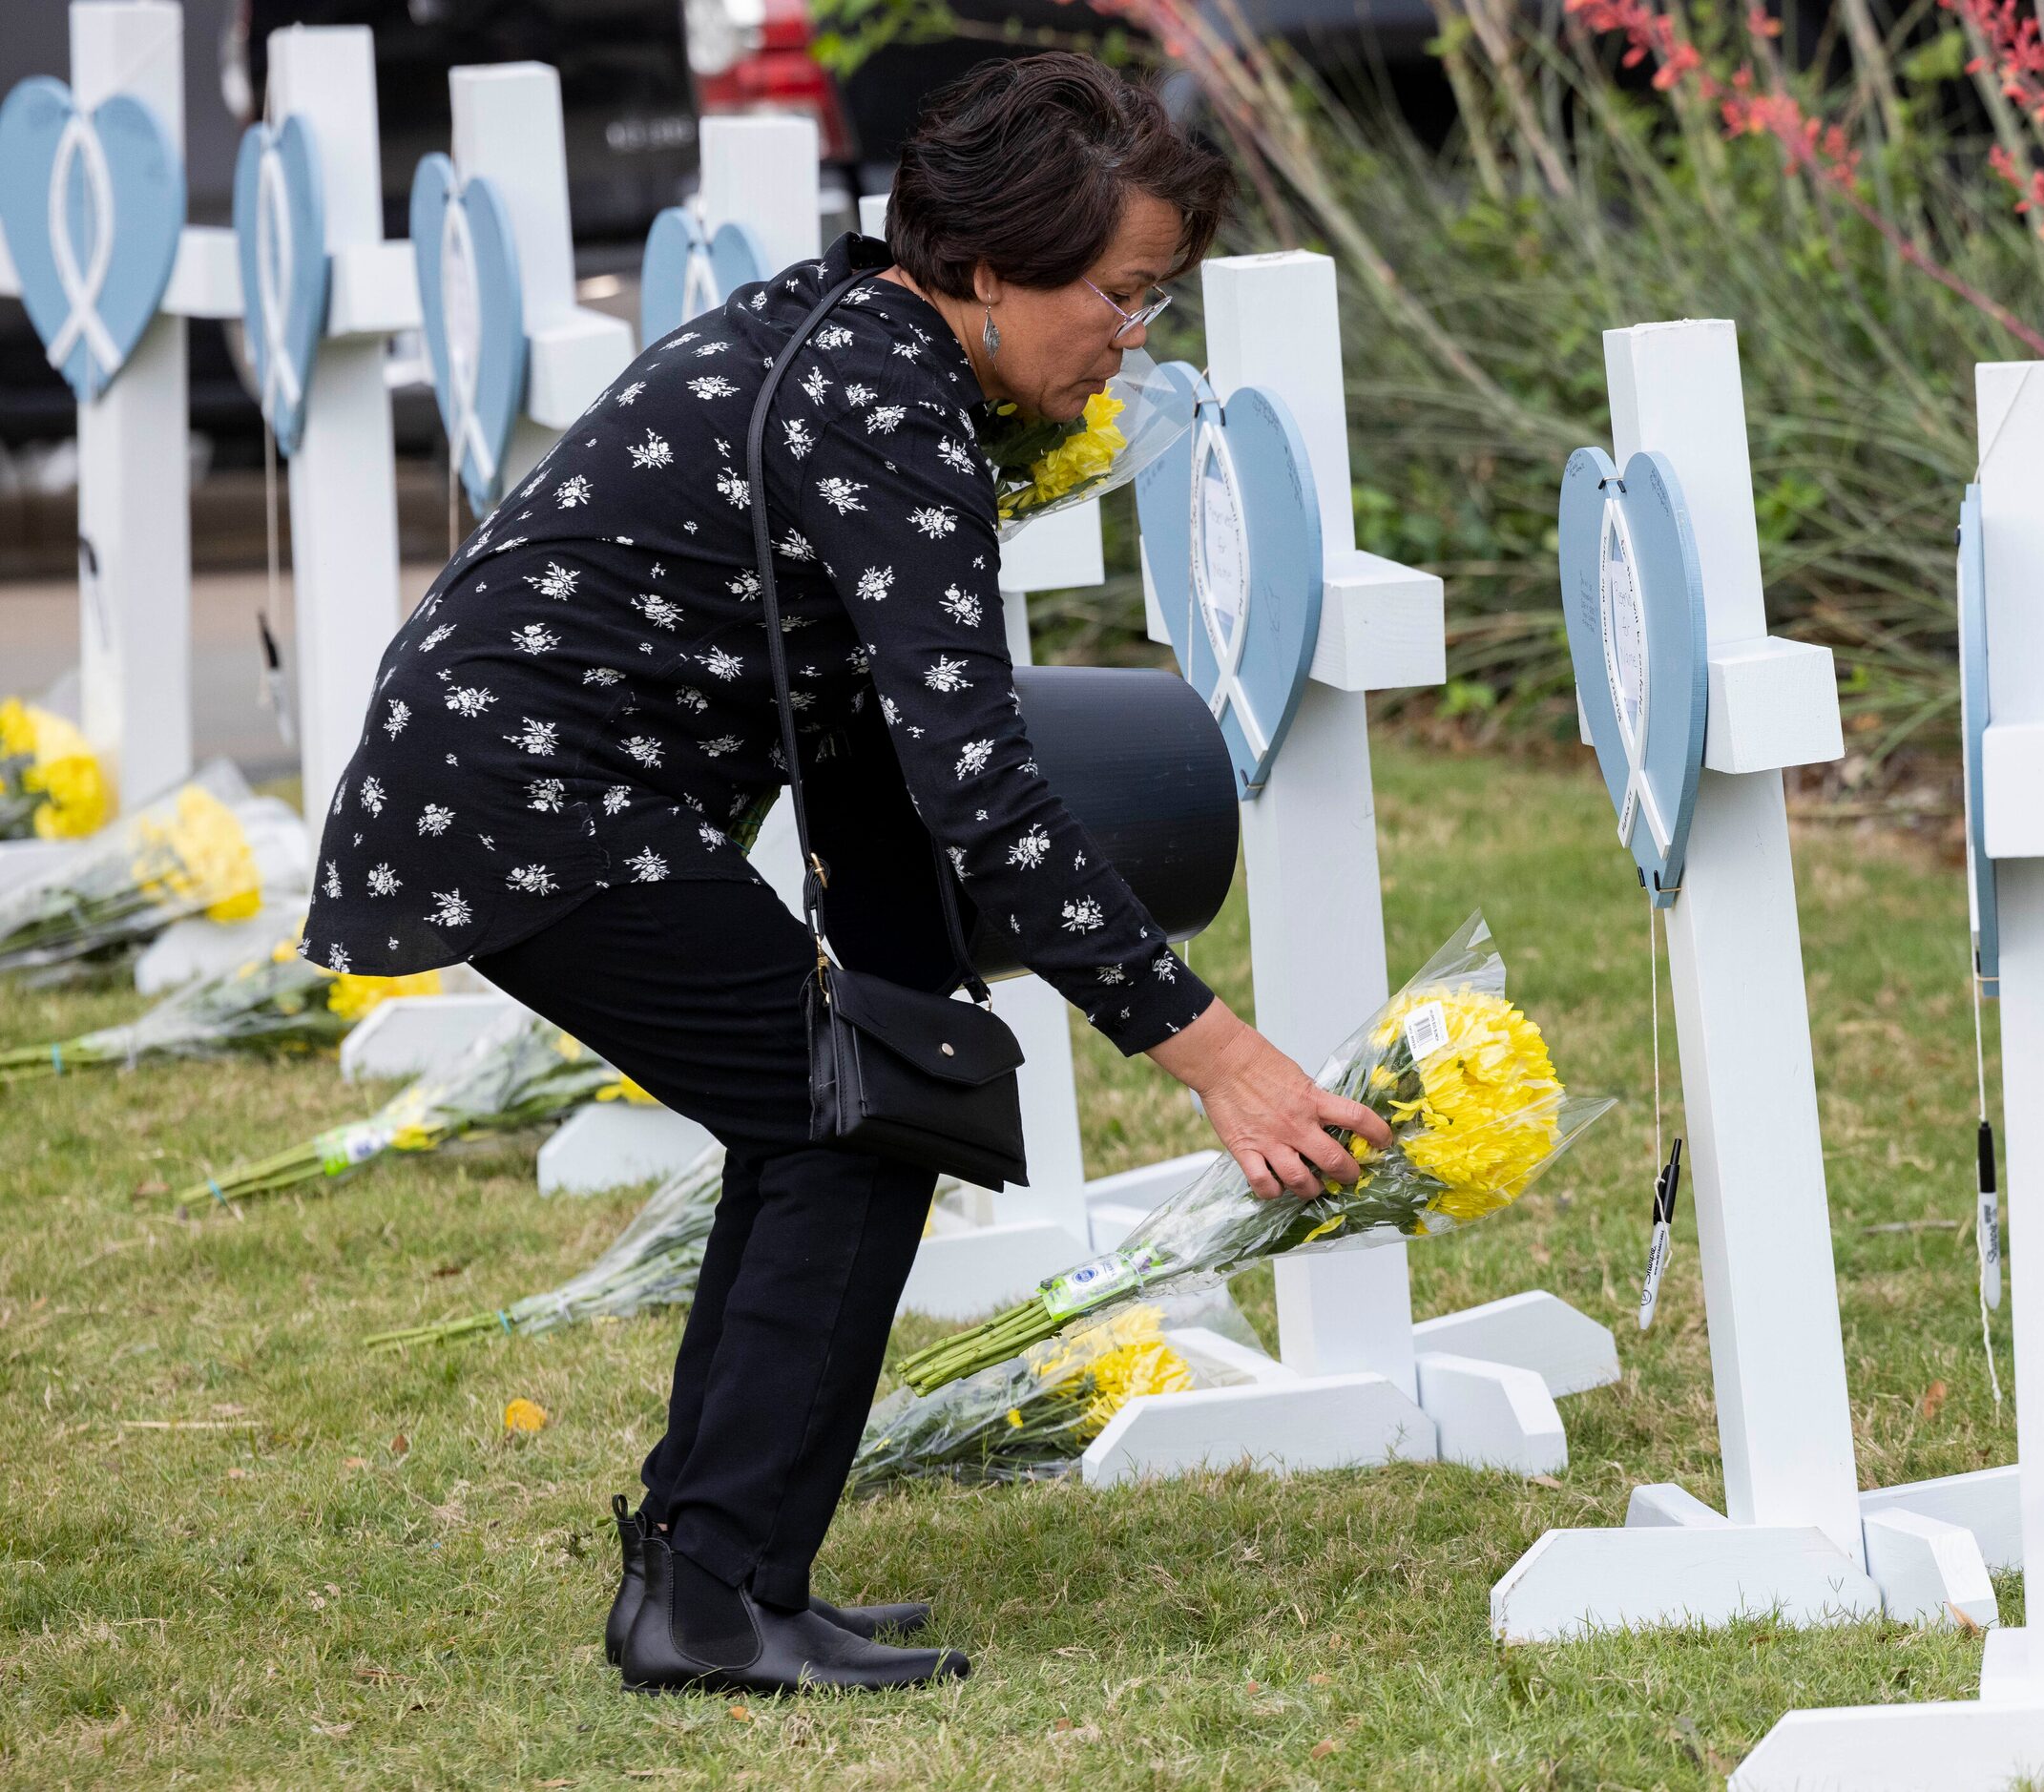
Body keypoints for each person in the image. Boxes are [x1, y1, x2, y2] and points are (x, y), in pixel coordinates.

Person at [302, 53, 1391, 1696]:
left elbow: (869, 737)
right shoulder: (886, 403)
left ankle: (715, 1572)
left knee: (853, 1093)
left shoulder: (870, 341)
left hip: (525, 785)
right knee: (848, 1113)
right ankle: (715, 1594)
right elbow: (980, 784)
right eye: (1118, 294)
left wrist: (911, 996)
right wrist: (1216, 1055)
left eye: (1153, 301)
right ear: (987, 265)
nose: (1130, 340)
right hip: (526, 800)